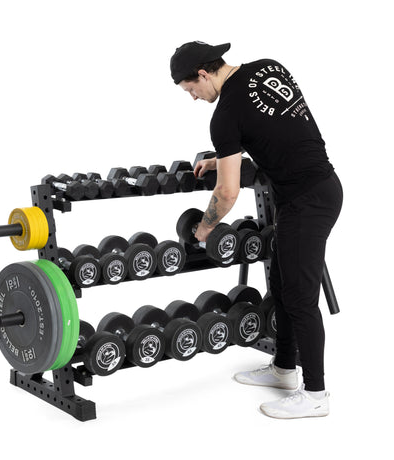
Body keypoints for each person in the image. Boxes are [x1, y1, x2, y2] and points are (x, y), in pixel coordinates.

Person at [170, 41, 343, 419]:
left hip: (307, 203)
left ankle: (315, 394)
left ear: (202, 73)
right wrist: (224, 157)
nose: (194, 98)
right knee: (281, 285)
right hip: (318, 189)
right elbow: (274, 130)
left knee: (300, 298)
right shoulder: (268, 66)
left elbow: (228, 194)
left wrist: (203, 229)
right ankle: (283, 368)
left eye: (191, 90)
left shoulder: (225, 114)